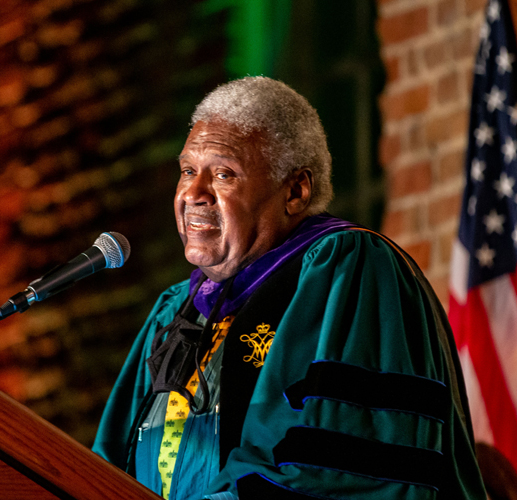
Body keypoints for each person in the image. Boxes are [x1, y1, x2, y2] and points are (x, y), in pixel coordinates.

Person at [92, 77, 486, 500]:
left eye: (223, 173)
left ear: (295, 191)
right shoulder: (176, 312)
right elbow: (98, 470)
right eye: (188, 170)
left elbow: (336, 468)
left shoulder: (347, 270)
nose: (193, 193)